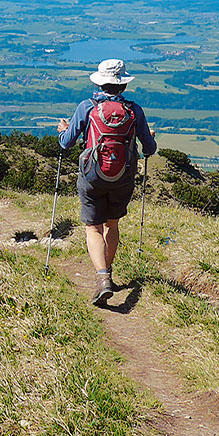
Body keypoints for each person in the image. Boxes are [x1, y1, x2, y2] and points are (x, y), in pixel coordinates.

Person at [58, 58, 156, 306]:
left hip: (92, 175)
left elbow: (66, 142)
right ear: (123, 84)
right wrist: (149, 136)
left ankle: (102, 279)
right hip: (123, 176)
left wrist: (62, 130)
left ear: (100, 83)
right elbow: (150, 148)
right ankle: (108, 273)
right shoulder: (135, 111)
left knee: (93, 227)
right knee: (112, 224)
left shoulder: (87, 107)